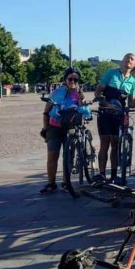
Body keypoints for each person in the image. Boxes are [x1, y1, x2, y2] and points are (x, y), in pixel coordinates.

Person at [39, 67, 87, 195]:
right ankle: (51, 183)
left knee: (69, 157)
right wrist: (45, 128)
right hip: (54, 126)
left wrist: (82, 102)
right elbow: (46, 111)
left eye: (75, 79)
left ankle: (66, 182)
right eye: (70, 78)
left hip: (70, 127)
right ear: (65, 79)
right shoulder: (56, 92)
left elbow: (82, 111)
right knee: (52, 155)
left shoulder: (79, 94)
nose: (72, 81)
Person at [94, 53, 135, 184]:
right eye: (126, 57)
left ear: (134, 64)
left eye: (132, 59)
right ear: (122, 61)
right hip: (105, 112)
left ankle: (114, 175)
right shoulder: (111, 73)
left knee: (115, 144)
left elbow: (130, 103)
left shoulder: (132, 82)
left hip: (119, 115)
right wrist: (107, 104)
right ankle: (101, 174)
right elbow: (98, 92)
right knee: (104, 143)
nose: (128, 60)